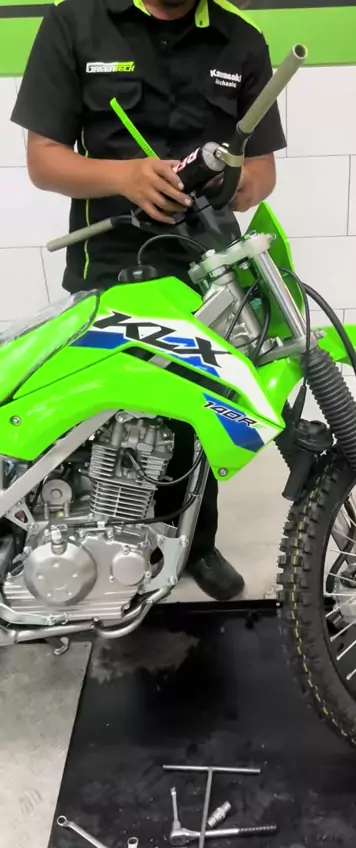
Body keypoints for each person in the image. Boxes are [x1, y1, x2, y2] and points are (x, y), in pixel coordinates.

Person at [11, 0, 286, 602]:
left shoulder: (241, 39)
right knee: (100, 419)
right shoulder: (74, 23)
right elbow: (43, 159)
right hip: (110, 263)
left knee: (200, 410)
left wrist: (231, 184)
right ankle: (87, 548)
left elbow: (262, 173)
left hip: (206, 264)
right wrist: (124, 177)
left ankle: (195, 544)